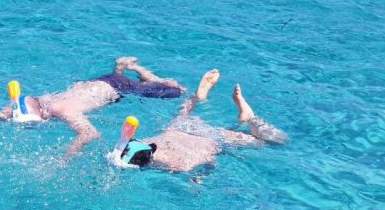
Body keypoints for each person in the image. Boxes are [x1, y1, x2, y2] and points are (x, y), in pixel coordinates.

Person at [0, 57, 184, 164]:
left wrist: (64, 158)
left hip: (118, 88)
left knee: (175, 90)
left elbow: (90, 133)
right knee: (119, 78)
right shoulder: (21, 104)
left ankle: (137, 69)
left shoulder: (62, 110)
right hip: (97, 84)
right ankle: (119, 68)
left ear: (43, 115)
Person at [114, 69, 287, 172]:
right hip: (182, 127)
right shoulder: (143, 142)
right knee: (181, 115)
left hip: (211, 137)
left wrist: (198, 177)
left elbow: (210, 160)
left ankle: (250, 117)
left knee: (274, 141)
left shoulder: (180, 165)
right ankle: (195, 99)